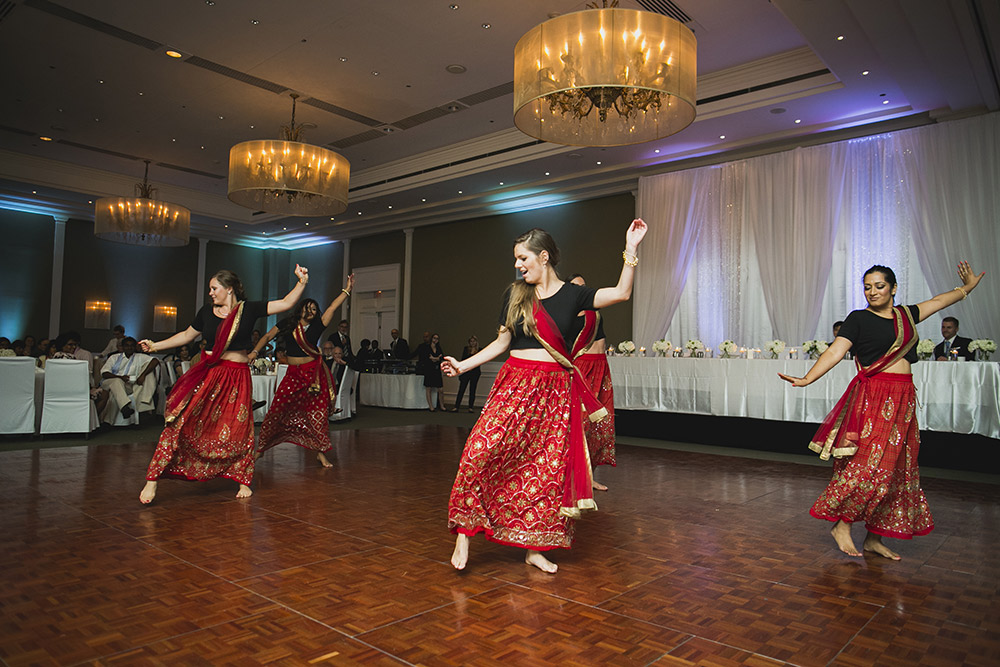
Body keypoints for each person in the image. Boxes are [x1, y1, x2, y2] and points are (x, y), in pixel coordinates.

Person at [444, 220, 647, 574]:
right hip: (514, 385)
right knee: (479, 451)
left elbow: (620, 293)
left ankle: (535, 548)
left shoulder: (574, 295)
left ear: (544, 256)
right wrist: (463, 365)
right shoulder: (514, 294)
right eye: (515, 260)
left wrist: (631, 248)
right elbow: (502, 343)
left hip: (554, 393)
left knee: (546, 471)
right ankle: (465, 529)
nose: (517, 265)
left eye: (522, 258)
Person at [779, 261, 985, 560]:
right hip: (875, 397)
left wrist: (966, 289)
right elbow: (836, 350)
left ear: (893, 288)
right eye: (867, 287)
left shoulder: (906, 316)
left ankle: (874, 538)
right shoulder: (858, 319)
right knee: (870, 464)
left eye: (879, 286)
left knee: (898, 468)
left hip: (903, 399)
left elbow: (939, 301)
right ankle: (843, 525)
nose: (872, 291)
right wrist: (808, 378)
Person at [137, 265, 310, 504]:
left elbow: (286, 303)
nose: (210, 293)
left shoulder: (248, 310)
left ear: (229, 289)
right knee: (181, 422)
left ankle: (242, 479)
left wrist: (301, 282)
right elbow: (187, 336)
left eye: (213, 288)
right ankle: (152, 479)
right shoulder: (206, 312)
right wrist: (156, 345)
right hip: (210, 374)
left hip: (238, 376)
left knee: (238, 428)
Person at [252, 275, 354, 468]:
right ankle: (261, 450)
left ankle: (320, 453)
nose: (312, 311)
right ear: (301, 309)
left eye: (315, 309)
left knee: (317, 414)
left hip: (312, 375)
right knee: (277, 411)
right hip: (293, 374)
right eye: (309, 308)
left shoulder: (318, 325)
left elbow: (332, 307)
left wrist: (347, 290)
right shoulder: (287, 324)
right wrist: (254, 352)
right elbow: (267, 336)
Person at [569, 274, 616, 491]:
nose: (581, 291)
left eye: (583, 286)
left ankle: (590, 475)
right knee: (582, 422)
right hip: (582, 367)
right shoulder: (567, 314)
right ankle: (575, 476)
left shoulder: (593, 309)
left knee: (601, 424)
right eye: (576, 287)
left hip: (601, 366)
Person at [100, 336, 159, 424]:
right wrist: (120, 377)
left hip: (127, 386)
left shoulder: (139, 357)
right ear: (122, 347)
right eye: (127, 345)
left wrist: (143, 375)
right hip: (109, 383)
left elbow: (155, 361)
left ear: (135, 347)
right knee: (117, 381)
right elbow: (104, 373)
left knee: (115, 392)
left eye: (131, 345)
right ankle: (124, 406)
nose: (129, 348)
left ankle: (108, 422)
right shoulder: (114, 357)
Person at [51, 332, 111, 415]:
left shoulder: (56, 356)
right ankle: (91, 420)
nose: (73, 347)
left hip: (60, 390)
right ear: (62, 345)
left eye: (75, 345)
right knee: (104, 394)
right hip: (73, 391)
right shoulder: (67, 357)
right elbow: (73, 376)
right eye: (70, 345)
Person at [450, 336, 481, 412]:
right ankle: (456, 406)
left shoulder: (479, 350)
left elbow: (479, 361)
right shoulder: (466, 349)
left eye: (474, 341)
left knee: (472, 390)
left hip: (475, 372)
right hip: (466, 372)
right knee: (461, 389)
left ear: (476, 342)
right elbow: (463, 359)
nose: (472, 343)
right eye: (471, 341)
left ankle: (470, 407)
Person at [420, 333, 444, 410]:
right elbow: (426, 358)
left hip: (437, 369)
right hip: (429, 369)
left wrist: (435, 358)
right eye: (434, 338)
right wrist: (436, 358)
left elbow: (441, 357)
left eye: (437, 338)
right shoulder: (426, 347)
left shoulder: (439, 348)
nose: (435, 340)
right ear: (431, 339)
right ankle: (431, 406)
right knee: (428, 388)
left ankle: (442, 406)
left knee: (440, 389)